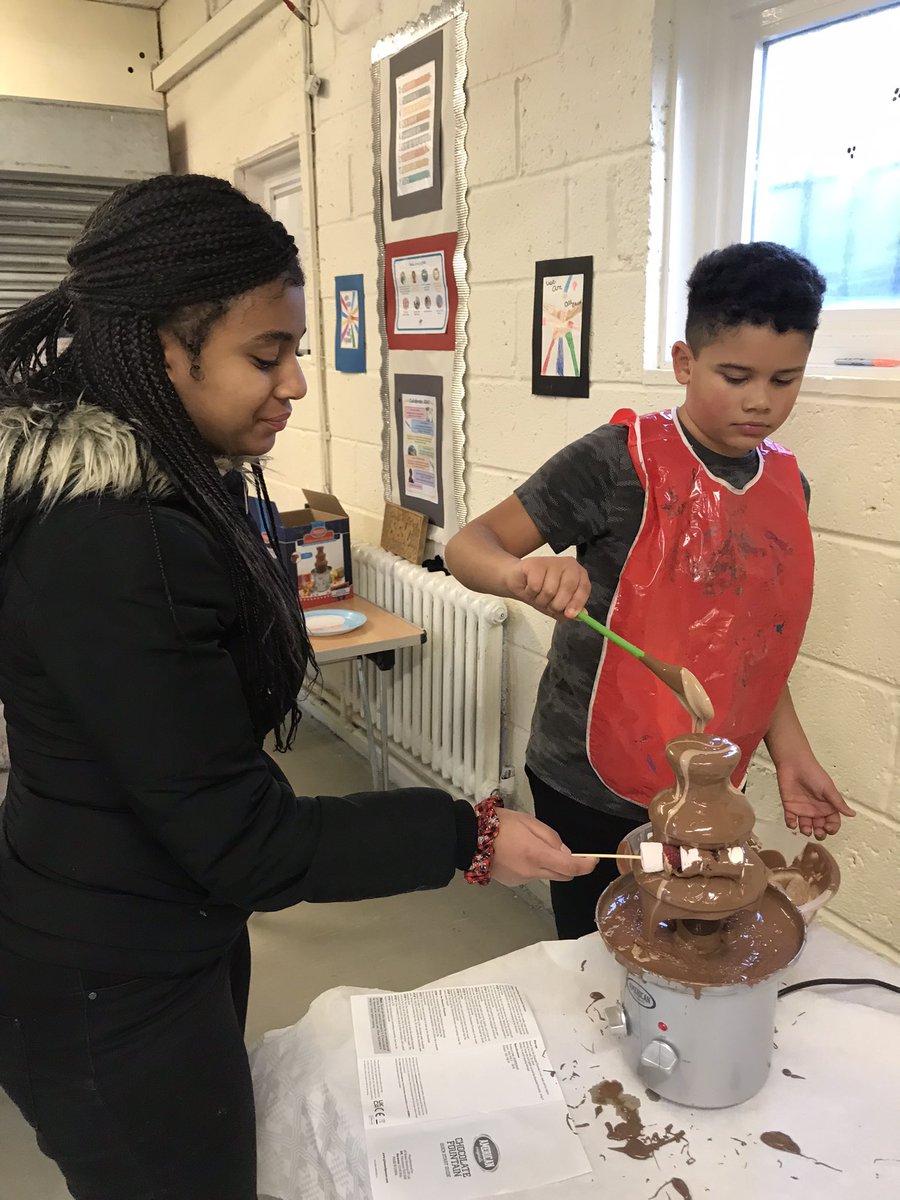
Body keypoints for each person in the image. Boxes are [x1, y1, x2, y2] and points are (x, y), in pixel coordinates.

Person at [0, 174, 594, 1200]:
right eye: (265, 357)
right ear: (159, 347)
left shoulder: (147, 491)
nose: (295, 384)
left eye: (297, 353)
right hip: (108, 979)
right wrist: (469, 835)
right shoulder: (115, 541)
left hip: (157, 927)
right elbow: (244, 841)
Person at [446, 241, 855, 940]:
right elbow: (467, 546)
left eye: (786, 380)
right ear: (685, 362)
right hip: (589, 778)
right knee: (604, 952)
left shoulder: (788, 486)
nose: (761, 400)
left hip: (706, 783)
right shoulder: (614, 464)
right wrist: (521, 575)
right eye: (736, 374)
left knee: (691, 944)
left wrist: (790, 753)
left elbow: (755, 644)